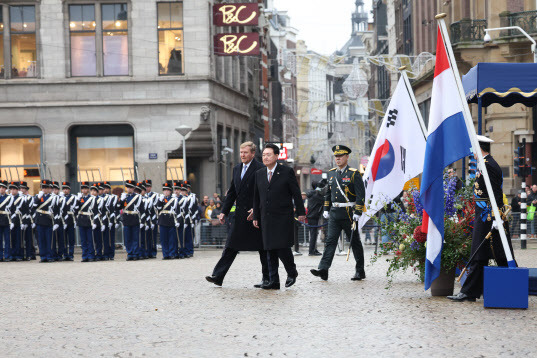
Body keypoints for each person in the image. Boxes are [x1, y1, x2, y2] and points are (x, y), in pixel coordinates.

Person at [448, 136, 517, 302]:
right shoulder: (485, 164)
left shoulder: (489, 165)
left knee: (488, 253)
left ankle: (510, 287)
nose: (472, 153)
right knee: (489, 253)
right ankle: (473, 291)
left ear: (479, 148)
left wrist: (495, 216)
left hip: (489, 217)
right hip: (483, 215)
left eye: (474, 149)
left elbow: (495, 194)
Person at [206, 141, 268, 287]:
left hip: (255, 215)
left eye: (245, 152)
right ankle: (218, 276)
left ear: (253, 153)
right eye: (241, 152)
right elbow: (232, 192)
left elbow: (265, 192)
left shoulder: (260, 168)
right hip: (240, 215)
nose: (242, 155)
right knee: (230, 246)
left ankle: (267, 279)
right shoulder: (237, 168)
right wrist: (224, 212)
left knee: (263, 248)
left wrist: (257, 208)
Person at [253, 143, 306, 290]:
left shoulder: (286, 172)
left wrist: (301, 212)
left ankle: (291, 272)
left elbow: (296, 193)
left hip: (282, 216)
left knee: (282, 247)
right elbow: (257, 197)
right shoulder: (259, 174)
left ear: (276, 156)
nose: (265, 157)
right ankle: (273, 280)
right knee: (269, 249)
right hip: (266, 217)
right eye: (263, 155)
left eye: (268, 154)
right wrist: (256, 215)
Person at [311, 145, 366, 281]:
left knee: (355, 242)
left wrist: (358, 211)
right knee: (330, 241)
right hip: (335, 212)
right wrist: (325, 209)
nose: (338, 159)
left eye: (340, 156)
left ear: (347, 157)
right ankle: (323, 269)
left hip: (349, 212)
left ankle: (360, 270)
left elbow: (361, 194)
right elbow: (328, 193)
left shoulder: (354, 173)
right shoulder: (332, 173)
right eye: (336, 156)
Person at [119, 180, 145, 261]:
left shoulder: (138, 197)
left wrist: (142, 221)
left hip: (135, 218)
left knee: (135, 238)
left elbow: (142, 210)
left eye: (130, 187)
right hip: (126, 219)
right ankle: (129, 253)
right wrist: (121, 200)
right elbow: (118, 207)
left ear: (133, 188)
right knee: (127, 238)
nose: (129, 189)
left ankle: (135, 253)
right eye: (127, 187)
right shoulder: (124, 197)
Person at [33, 180, 56, 263]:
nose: (44, 189)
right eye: (43, 187)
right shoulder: (38, 196)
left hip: (48, 220)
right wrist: (38, 198)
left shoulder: (52, 197)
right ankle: (43, 256)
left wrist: (55, 222)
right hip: (40, 220)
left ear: (49, 188)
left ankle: (49, 256)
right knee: (41, 240)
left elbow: (56, 209)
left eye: (46, 187)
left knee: (49, 239)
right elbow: (34, 206)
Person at [155, 181, 179, 260]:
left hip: (171, 220)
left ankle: (172, 253)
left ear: (170, 191)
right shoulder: (160, 199)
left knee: (171, 239)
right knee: (163, 239)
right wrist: (160, 201)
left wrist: (177, 221)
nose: (165, 192)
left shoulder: (174, 200)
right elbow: (158, 209)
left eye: (167, 190)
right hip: (162, 220)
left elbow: (177, 211)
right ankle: (165, 254)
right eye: (164, 190)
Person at [306, 182, 324, 256]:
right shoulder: (317, 196)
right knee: (313, 234)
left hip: (312, 216)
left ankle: (314, 249)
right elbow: (324, 200)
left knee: (314, 234)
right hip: (313, 216)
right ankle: (311, 251)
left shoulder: (312, 194)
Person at [61, 181, 76, 261]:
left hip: (70, 219)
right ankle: (65, 254)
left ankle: (71, 254)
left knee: (71, 239)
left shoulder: (73, 198)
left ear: (69, 190)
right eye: (64, 189)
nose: (65, 190)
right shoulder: (60, 197)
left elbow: (75, 208)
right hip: (62, 220)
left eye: (66, 189)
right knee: (63, 239)